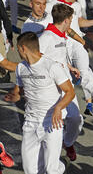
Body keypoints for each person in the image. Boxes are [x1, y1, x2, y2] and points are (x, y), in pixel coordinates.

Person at [4, 32, 75, 174]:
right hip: (31, 122)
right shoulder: (21, 68)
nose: (18, 52)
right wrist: (15, 97)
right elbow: (21, 92)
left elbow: (70, 92)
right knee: (30, 170)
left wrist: (58, 108)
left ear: (23, 48)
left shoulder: (52, 66)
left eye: (18, 49)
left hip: (52, 122)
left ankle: (60, 167)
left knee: (51, 169)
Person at [45, 0, 93, 116]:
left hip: (77, 43)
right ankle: (64, 107)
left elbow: (78, 22)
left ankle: (89, 103)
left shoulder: (77, 5)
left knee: (85, 70)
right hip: (60, 44)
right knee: (64, 75)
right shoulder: (51, 6)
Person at [39, 3, 83, 161]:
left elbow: (58, 57)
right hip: (52, 88)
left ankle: (68, 143)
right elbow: (37, 59)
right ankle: (50, 158)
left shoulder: (61, 35)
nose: (71, 23)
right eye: (70, 20)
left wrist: (69, 67)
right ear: (65, 20)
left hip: (67, 85)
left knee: (76, 119)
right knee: (54, 122)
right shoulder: (46, 37)